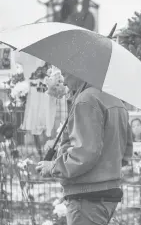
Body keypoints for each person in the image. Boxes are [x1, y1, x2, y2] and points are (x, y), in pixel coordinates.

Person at [35, 72, 133, 225]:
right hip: (108, 194)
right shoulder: (115, 100)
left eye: (65, 74)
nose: (64, 80)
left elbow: (84, 153)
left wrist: (54, 166)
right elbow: (126, 153)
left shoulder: (86, 100)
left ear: (79, 71)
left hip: (87, 197)